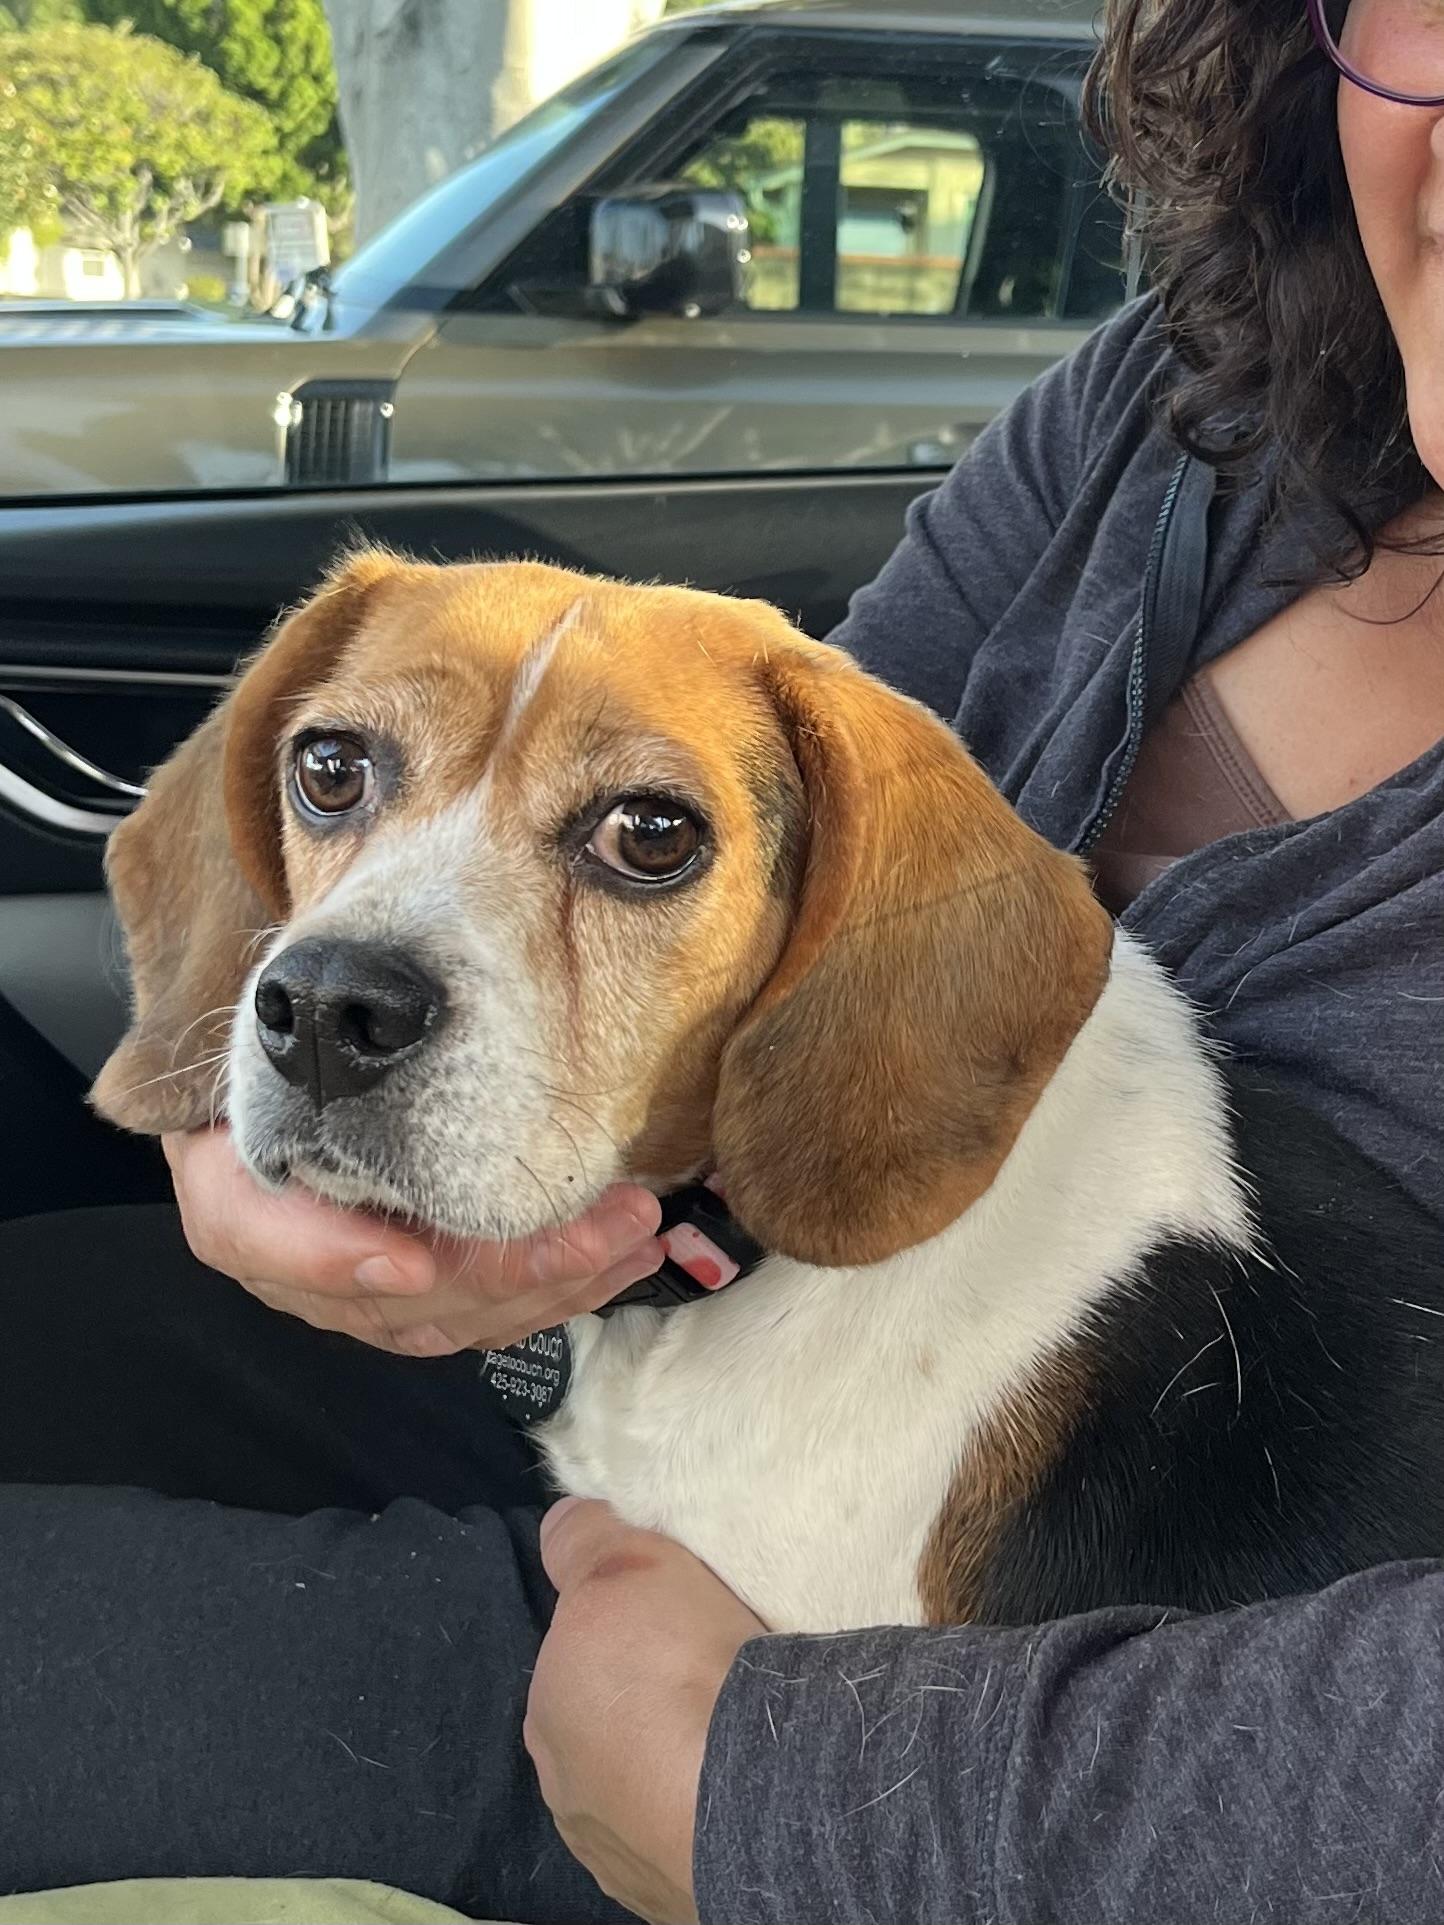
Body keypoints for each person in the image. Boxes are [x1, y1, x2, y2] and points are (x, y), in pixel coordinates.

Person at [2, 0, 1443, 1919]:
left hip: (951, 1689)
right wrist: (241, 1081)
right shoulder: (1188, 407)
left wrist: (774, 1790)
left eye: (636, 840)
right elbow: (822, 795)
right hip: (665, 1321)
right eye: (340, 774)